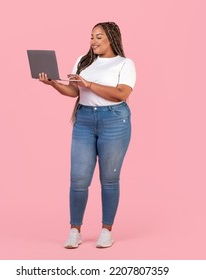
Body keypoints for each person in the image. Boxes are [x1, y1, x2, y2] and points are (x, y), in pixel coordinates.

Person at [38, 21, 136, 248]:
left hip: (114, 120)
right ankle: (75, 230)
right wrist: (53, 83)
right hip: (84, 121)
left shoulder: (125, 63)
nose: (93, 41)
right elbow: (74, 91)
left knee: (109, 180)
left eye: (99, 37)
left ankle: (106, 231)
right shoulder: (84, 61)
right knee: (78, 179)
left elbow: (121, 93)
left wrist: (89, 84)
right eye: (92, 37)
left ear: (111, 38)